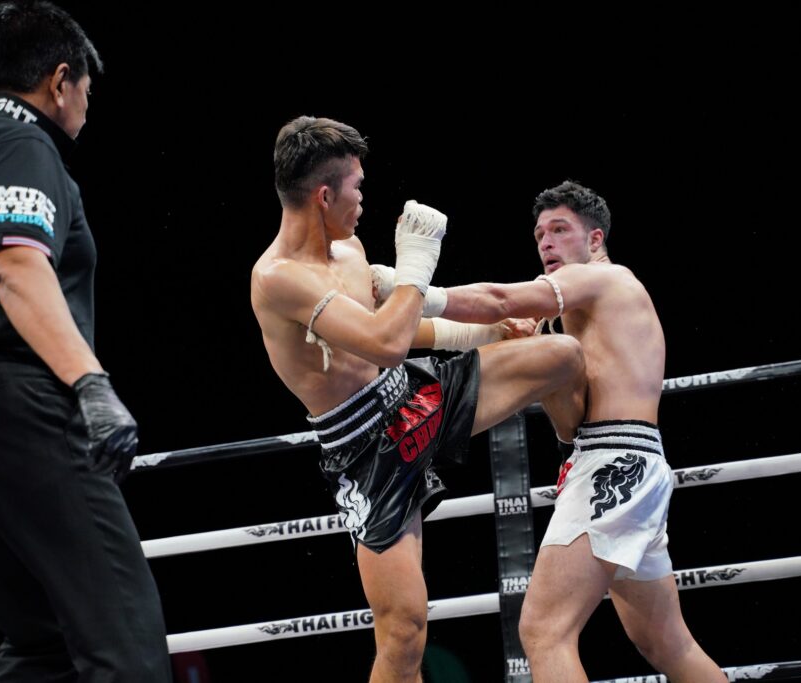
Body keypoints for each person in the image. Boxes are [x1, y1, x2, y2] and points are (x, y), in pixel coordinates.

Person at [250, 116, 586, 683]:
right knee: (404, 633)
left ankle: (583, 467)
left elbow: (397, 334)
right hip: (366, 449)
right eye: (357, 186)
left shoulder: (349, 251)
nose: (363, 199)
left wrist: (483, 333)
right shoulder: (278, 279)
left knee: (561, 355)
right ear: (325, 195)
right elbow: (384, 340)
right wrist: (415, 261)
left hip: (413, 393)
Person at [418, 180, 727, 682]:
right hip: (625, 463)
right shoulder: (578, 319)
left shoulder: (607, 280)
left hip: (615, 465)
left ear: (595, 239)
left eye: (560, 230)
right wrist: (539, 358)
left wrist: (412, 291)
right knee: (667, 644)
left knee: (544, 632)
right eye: (540, 234)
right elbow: (569, 427)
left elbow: (499, 299)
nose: (546, 242)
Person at [0, 2, 171, 681]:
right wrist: (91, 382)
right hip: (17, 406)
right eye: (86, 88)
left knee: (43, 644)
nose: (86, 105)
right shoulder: (22, 144)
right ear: (59, 80)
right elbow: (16, 265)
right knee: (128, 646)